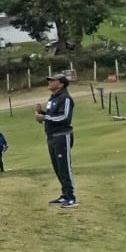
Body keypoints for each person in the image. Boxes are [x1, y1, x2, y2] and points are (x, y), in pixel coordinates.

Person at [36, 73, 78, 208]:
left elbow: (64, 117)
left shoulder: (65, 98)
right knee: (57, 167)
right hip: (51, 136)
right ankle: (64, 194)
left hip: (62, 135)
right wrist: (42, 113)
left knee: (64, 166)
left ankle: (71, 196)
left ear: (61, 84)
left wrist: (45, 118)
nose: (49, 82)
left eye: (52, 80)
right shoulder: (52, 98)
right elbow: (52, 115)